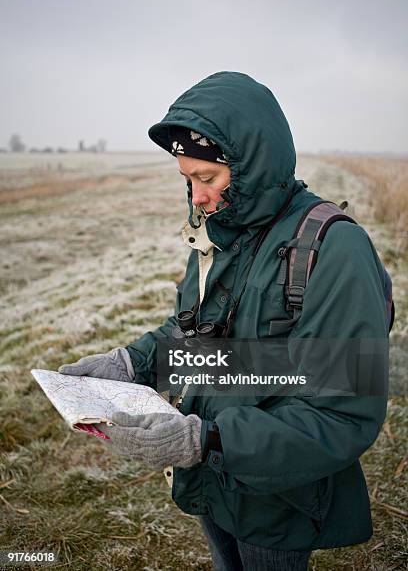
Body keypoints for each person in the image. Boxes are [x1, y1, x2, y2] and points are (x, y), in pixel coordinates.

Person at [59, 72, 389, 571]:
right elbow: (199, 336)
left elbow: (342, 414)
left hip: (277, 499)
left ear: (251, 164)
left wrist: (207, 440)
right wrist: (131, 363)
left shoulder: (334, 249)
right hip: (210, 480)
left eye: (207, 179)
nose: (196, 197)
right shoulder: (220, 232)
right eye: (187, 180)